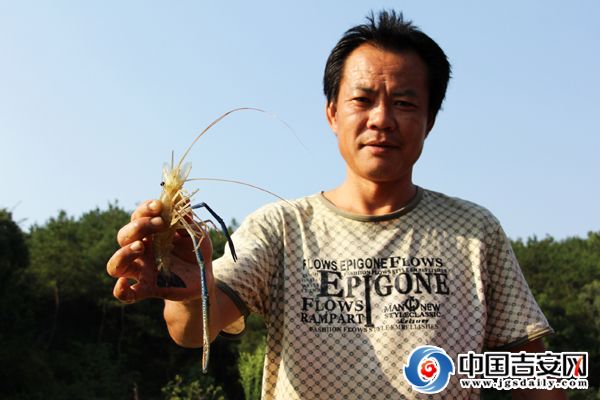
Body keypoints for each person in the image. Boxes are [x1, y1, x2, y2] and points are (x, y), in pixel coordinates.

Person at [107, 10, 567, 399]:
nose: (382, 119)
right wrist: (188, 285)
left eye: (405, 103)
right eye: (362, 99)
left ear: (429, 119)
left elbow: (535, 379)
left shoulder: (475, 230)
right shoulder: (280, 228)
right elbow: (192, 330)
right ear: (332, 112)